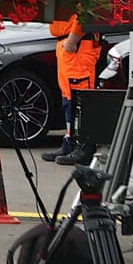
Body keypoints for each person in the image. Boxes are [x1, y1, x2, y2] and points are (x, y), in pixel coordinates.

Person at [43, 15, 103, 166]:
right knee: (68, 96)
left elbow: (86, 12)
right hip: (68, 43)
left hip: (78, 44)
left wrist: (72, 40)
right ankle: (71, 143)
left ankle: (85, 147)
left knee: (80, 96)